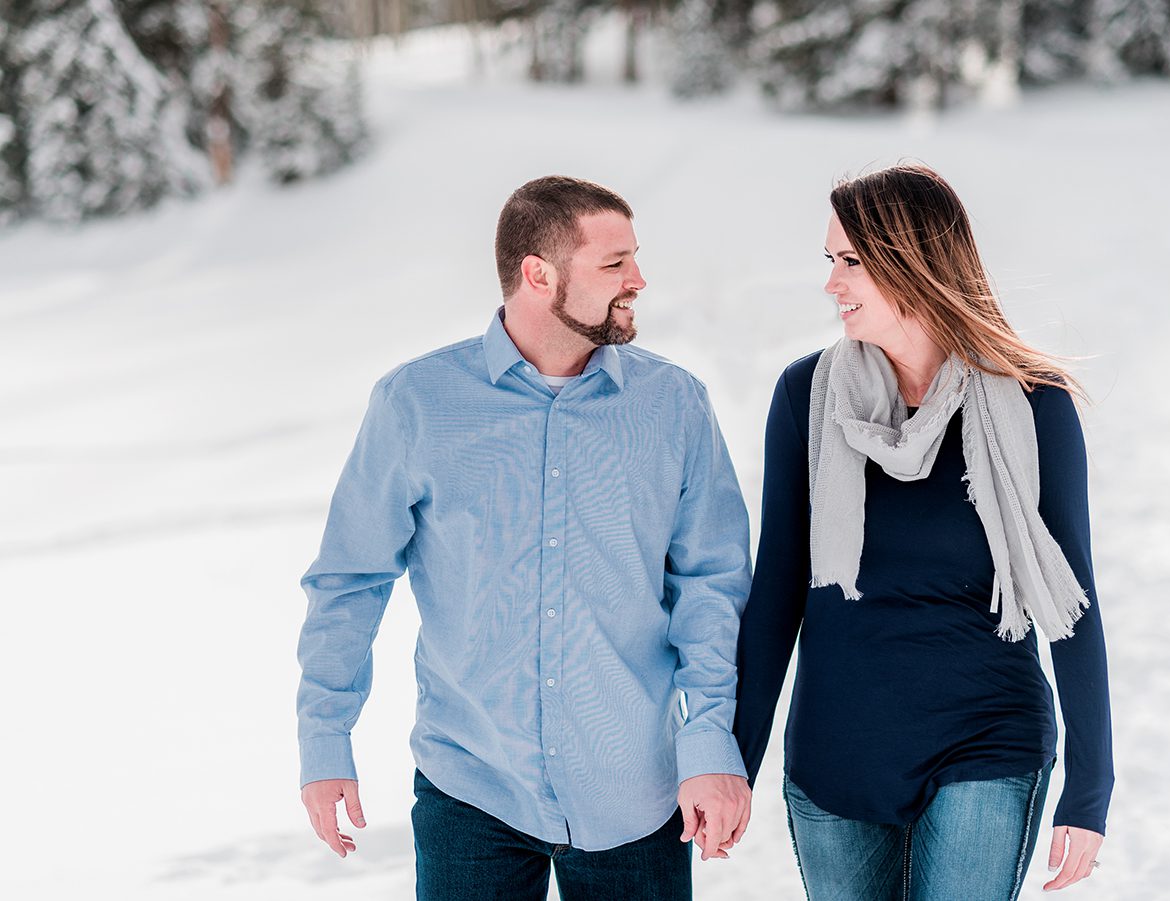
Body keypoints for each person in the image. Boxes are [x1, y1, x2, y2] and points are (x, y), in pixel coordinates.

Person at [296, 175, 754, 901]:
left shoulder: (674, 405)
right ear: (538, 275)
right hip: (471, 786)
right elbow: (350, 580)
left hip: (634, 792)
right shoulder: (417, 402)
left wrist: (708, 742)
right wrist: (325, 739)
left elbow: (713, 586)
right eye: (614, 264)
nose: (638, 280)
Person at [734, 164, 1113, 900]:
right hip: (837, 753)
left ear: (910, 261)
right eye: (830, 262)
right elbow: (777, 588)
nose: (832, 283)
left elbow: (1074, 603)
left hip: (986, 741)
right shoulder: (806, 396)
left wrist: (1090, 785)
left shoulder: (1034, 407)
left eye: (849, 262)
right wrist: (734, 761)